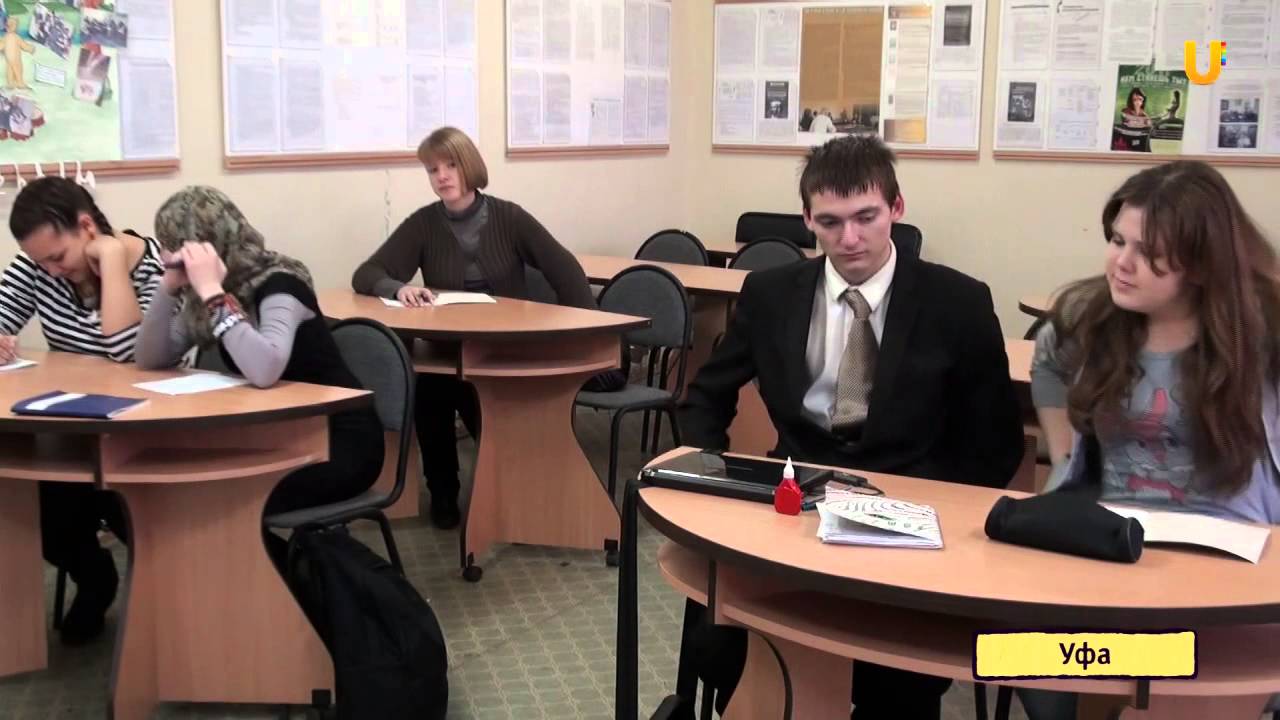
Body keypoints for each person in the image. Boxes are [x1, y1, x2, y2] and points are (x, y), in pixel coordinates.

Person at [679, 135, 1024, 719]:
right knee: (724, 642)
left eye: (866, 217)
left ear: (897, 207)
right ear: (807, 219)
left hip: (908, 507)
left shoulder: (958, 302)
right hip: (796, 498)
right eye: (831, 222)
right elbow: (707, 393)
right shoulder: (771, 293)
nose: (850, 239)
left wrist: (938, 515)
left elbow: (996, 441)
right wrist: (708, 473)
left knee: (898, 681)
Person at [1020, 161, 1280, 719]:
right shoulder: (1092, 317)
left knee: (1173, 685)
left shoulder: (1263, 334)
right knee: (1016, 655)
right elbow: (1048, 360)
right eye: (1118, 240)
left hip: (1229, 562)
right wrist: (1063, 458)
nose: (1121, 262)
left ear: (1202, 264)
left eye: (1148, 251)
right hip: (1114, 548)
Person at [351, 126, 596, 530]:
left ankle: (510, 491)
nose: (442, 176)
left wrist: (587, 331)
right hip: (449, 346)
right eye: (433, 170)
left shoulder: (509, 217)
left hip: (504, 348)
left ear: (469, 166)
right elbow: (367, 272)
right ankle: (443, 493)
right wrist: (398, 288)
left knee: (475, 394)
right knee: (429, 391)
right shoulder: (424, 224)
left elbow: (564, 268)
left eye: (450, 166)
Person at [135, 186, 383, 531]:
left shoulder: (281, 284)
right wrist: (169, 286)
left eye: (177, 247)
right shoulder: (209, 296)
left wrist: (212, 293)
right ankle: (264, 564)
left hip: (337, 441)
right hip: (276, 437)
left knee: (225, 499)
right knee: (191, 491)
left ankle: (287, 566)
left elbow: (265, 369)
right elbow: (149, 357)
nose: (168, 256)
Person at [1, 177, 166, 645]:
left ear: (87, 227)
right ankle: (95, 577)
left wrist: (111, 262)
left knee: (135, 520)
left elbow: (128, 354)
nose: (51, 271)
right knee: (33, 512)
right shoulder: (39, 267)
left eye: (58, 258)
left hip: (148, 434)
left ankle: (172, 607)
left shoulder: (153, 267)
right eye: (40, 262)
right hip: (71, 431)